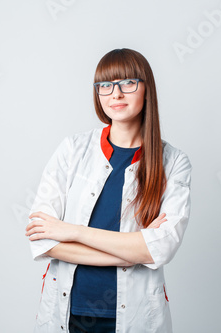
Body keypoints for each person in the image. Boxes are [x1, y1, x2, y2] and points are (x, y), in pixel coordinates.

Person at [25, 48, 192, 333]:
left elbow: (162, 247)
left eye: (128, 83)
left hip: (136, 315)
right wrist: (136, 249)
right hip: (68, 311)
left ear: (146, 89)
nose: (116, 94)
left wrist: (73, 231)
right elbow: (43, 239)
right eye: (106, 85)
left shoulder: (173, 162)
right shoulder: (72, 150)